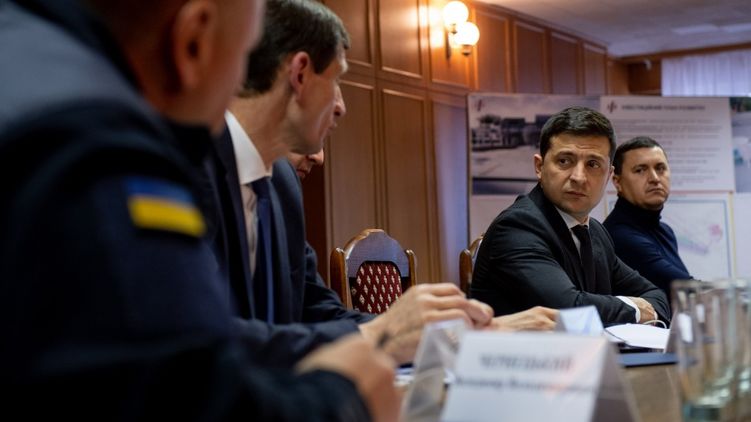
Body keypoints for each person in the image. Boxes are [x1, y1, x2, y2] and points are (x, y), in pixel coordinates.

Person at [0, 0, 399, 420]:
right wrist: (346, 397)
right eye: (244, 55)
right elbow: (188, 392)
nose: (243, 84)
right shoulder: (97, 144)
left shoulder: (31, 62)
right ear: (193, 42)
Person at [208, 0, 558, 366]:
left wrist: (461, 337)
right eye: (337, 79)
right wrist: (380, 336)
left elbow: (319, 313)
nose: (341, 106)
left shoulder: (282, 185)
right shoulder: (190, 168)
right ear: (300, 74)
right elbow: (196, 340)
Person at [471, 107, 670, 326]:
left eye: (593, 164)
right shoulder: (517, 227)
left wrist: (634, 308)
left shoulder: (595, 232)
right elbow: (569, 309)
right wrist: (636, 310)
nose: (579, 177)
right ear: (539, 167)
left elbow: (657, 296)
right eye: (565, 161)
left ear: (608, 176)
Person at [603, 136, 691, 299]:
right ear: (617, 182)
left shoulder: (665, 231)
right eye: (640, 170)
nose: (655, 178)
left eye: (660, 168)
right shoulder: (618, 235)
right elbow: (685, 288)